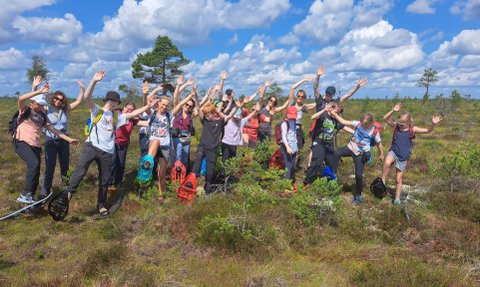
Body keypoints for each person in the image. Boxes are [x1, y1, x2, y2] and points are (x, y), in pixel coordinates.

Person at [64, 71, 157, 216]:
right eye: (113, 101)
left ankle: (101, 205)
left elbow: (133, 114)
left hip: (107, 152)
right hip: (92, 147)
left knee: (105, 179)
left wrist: (148, 105)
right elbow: (87, 97)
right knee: (80, 171)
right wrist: (94, 81)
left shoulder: (118, 117)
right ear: (108, 100)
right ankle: (67, 196)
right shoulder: (96, 110)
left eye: (116, 102)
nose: (115, 104)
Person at [13, 84, 80, 204]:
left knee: (36, 167)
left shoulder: (43, 116)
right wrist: (37, 89)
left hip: (35, 145)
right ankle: (26, 193)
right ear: (32, 102)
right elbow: (21, 99)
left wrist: (69, 140)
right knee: (35, 164)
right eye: (38, 104)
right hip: (21, 141)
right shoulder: (25, 110)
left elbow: (55, 130)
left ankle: (31, 195)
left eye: (41, 104)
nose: (41, 106)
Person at [32, 76, 85, 197]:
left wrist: (82, 90)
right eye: (56, 98)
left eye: (61, 100)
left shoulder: (64, 110)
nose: (58, 101)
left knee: (65, 166)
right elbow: (33, 101)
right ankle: (45, 192)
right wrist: (35, 87)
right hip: (50, 140)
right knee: (49, 167)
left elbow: (78, 101)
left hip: (64, 141)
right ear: (53, 98)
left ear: (63, 101)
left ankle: (65, 189)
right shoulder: (46, 108)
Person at [381, 103, 443, 205]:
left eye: (402, 123)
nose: (399, 124)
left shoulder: (412, 130)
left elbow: (427, 130)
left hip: (403, 156)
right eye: (398, 122)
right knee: (387, 162)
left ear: (408, 123)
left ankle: (397, 198)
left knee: (398, 179)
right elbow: (385, 119)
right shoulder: (396, 126)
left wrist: (433, 124)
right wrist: (393, 111)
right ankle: (382, 180)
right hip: (394, 151)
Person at [330, 112, 384, 204]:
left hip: (360, 154)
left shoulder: (374, 132)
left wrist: (382, 154)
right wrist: (334, 115)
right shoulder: (358, 124)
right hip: (350, 147)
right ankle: (333, 175)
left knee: (359, 175)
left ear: (371, 123)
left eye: (366, 124)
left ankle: (358, 195)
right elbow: (343, 121)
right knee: (337, 153)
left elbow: (379, 144)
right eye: (362, 124)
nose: (364, 126)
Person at [191, 101, 238, 194]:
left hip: (213, 149)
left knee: (210, 171)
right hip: (202, 146)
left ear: (213, 113)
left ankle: (208, 189)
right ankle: (191, 183)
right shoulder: (204, 120)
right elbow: (199, 108)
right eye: (206, 114)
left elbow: (229, 116)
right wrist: (195, 96)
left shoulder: (220, 122)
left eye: (209, 114)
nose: (207, 116)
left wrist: (237, 107)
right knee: (196, 165)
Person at [303, 102, 353, 187]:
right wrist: (324, 110)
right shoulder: (324, 115)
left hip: (329, 145)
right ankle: (307, 182)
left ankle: (329, 181)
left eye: (338, 113)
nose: (337, 114)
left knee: (332, 163)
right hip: (319, 143)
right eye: (336, 112)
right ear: (331, 109)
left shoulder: (336, 120)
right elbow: (313, 117)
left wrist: (357, 133)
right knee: (316, 162)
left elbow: (345, 128)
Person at [108, 102, 138, 191]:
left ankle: (118, 182)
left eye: (131, 110)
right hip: (113, 142)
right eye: (128, 108)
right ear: (124, 107)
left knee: (121, 164)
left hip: (124, 144)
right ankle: (109, 183)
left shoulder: (132, 120)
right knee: (112, 162)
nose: (129, 110)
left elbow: (141, 121)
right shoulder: (117, 114)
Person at [171, 79, 198, 169]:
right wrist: (182, 84)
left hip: (186, 136)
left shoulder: (191, 115)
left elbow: (198, 108)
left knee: (185, 158)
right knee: (177, 154)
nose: (188, 107)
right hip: (176, 135)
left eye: (190, 106)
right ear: (183, 104)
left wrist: (195, 96)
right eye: (186, 104)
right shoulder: (177, 111)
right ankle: (175, 172)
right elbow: (175, 96)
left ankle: (183, 174)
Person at [279, 106, 299, 188]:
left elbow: (293, 134)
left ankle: (291, 181)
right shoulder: (284, 123)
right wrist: (287, 147)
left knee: (293, 165)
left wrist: (296, 145)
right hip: (286, 145)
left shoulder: (294, 121)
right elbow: (284, 136)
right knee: (288, 165)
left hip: (294, 145)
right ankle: (286, 184)